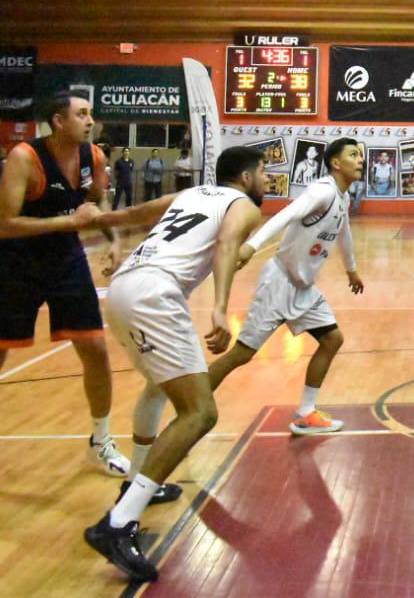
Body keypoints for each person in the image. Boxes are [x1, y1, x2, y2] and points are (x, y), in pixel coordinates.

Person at [82, 147, 269, 583]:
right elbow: (225, 245)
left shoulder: (192, 194)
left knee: (157, 386)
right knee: (200, 412)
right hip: (156, 295)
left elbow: (139, 212)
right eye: (263, 171)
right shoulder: (243, 205)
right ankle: (118, 523)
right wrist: (220, 307)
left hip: (124, 288)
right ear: (245, 177)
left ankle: (136, 481)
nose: (267, 179)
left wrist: (98, 221)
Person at [0, 92, 130, 497]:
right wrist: (68, 222)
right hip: (19, 263)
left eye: (91, 114)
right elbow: (5, 225)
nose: (90, 121)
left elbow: (97, 201)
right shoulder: (25, 157)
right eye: (82, 114)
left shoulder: (93, 157)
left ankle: (101, 441)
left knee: (96, 349)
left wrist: (113, 239)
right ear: (58, 121)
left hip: (66, 259)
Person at [205, 138, 366, 435]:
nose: (360, 160)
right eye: (353, 154)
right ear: (335, 163)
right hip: (279, 282)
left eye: (360, 155)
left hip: (304, 288)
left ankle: (306, 413)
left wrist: (351, 270)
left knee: (332, 340)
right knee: (241, 354)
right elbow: (287, 214)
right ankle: (192, 404)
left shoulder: (341, 197)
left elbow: (344, 234)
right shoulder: (322, 191)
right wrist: (252, 246)